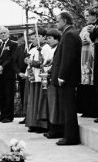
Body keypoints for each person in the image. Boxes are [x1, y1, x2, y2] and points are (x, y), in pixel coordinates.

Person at [50, 12, 82, 146]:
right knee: (67, 107)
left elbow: (67, 58)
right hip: (68, 77)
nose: (56, 24)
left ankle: (70, 137)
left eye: (58, 21)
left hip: (67, 78)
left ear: (64, 21)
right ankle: (68, 135)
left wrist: (61, 76)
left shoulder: (69, 34)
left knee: (68, 108)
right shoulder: (69, 33)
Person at [25, 27, 51, 133]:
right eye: (34, 36)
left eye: (38, 36)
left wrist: (32, 62)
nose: (35, 38)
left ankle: (42, 125)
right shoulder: (32, 50)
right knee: (33, 101)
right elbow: (30, 63)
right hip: (34, 78)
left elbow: (46, 63)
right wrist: (27, 62)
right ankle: (33, 123)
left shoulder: (46, 48)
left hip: (42, 79)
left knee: (41, 101)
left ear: (44, 37)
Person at [0, 26, 18, 122]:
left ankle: (9, 116)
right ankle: (2, 115)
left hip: (8, 73)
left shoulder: (13, 44)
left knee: (8, 94)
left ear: (8, 34)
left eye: (4, 32)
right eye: (1, 33)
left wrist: (2, 66)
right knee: (1, 94)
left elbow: (12, 58)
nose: (3, 34)